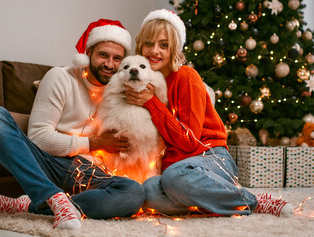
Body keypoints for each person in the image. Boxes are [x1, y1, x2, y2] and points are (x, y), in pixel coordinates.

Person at [0, 19, 145, 230]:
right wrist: (93, 143)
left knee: (134, 193)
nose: (110, 64)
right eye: (103, 55)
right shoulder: (60, 77)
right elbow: (38, 138)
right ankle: (53, 196)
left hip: (86, 172)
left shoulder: (120, 91)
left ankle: (31, 204)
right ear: (89, 53)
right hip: (49, 162)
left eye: (117, 58)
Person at [124, 9, 293, 217]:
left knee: (173, 178)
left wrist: (152, 103)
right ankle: (214, 203)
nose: (154, 50)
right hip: (178, 170)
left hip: (210, 158)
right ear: (140, 45)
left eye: (164, 45)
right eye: (149, 43)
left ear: (174, 48)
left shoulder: (186, 76)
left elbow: (189, 141)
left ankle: (251, 201)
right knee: (148, 191)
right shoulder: (144, 83)